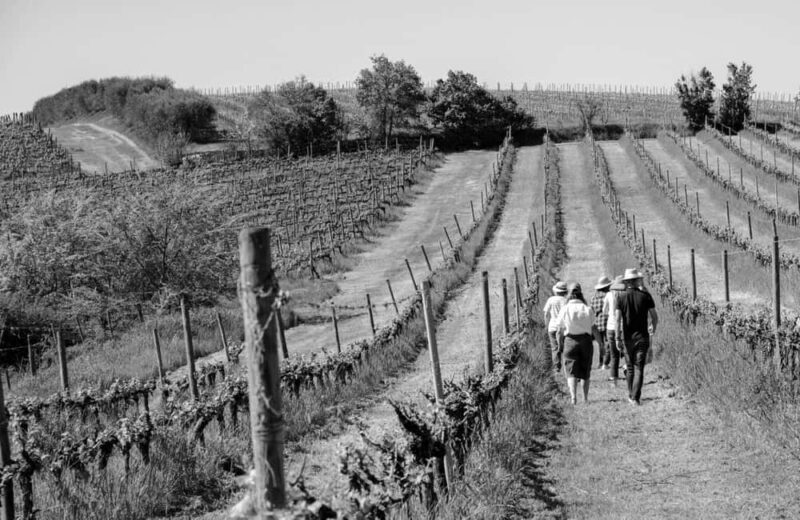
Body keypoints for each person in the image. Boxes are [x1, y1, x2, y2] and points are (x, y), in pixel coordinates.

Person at [615, 268, 659, 405]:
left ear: (626, 282)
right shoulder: (645, 296)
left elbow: (617, 319)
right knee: (639, 368)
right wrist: (653, 328)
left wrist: (617, 337)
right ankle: (635, 398)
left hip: (627, 337)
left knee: (629, 368)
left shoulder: (620, 297)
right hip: (642, 336)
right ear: (636, 281)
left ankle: (631, 395)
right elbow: (654, 317)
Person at [555, 283, 595, 404]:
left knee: (570, 370)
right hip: (586, 341)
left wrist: (559, 344)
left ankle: (573, 397)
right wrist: (601, 343)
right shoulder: (587, 309)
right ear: (581, 293)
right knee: (585, 370)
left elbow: (559, 330)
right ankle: (585, 398)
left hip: (570, 340)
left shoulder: (565, 309)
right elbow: (594, 327)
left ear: (568, 294)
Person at [603, 275, 625, 381]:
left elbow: (604, 310)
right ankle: (627, 368)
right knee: (627, 351)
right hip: (623, 327)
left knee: (613, 354)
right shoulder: (625, 294)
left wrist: (610, 315)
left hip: (611, 327)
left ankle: (613, 375)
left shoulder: (609, 295)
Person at [543, 281, 568, 372]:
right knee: (565, 347)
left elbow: (546, 314)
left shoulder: (551, 300)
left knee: (554, 348)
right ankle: (567, 366)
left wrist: (546, 325)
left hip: (552, 326)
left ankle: (557, 367)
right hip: (563, 327)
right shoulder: (566, 301)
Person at [590, 276, 611, 370]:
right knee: (608, 342)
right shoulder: (608, 296)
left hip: (597, 322)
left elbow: (592, 311)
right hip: (607, 321)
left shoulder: (593, 298)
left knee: (600, 343)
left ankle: (601, 362)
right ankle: (606, 362)